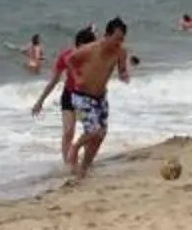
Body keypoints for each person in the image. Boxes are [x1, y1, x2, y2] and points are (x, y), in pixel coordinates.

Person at [60, 18, 133, 181]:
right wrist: (77, 76)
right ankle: (75, 146)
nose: (119, 42)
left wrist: (124, 75)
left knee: (100, 135)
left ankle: (83, 170)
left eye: (122, 39)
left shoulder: (121, 52)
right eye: (117, 38)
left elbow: (121, 70)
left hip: (100, 97)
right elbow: (69, 60)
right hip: (81, 96)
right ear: (107, 35)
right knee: (93, 131)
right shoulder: (90, 49)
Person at [33, 25, 97, 169]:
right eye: (89, 46)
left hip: (87, 96)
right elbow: (54, 80)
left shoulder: (95, 57)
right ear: (79, 45)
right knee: (68, 131)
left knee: (91, 132)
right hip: (69, 95)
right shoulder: (66, 56)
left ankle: (87, 162)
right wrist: (40, 101)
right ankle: (68, 165)